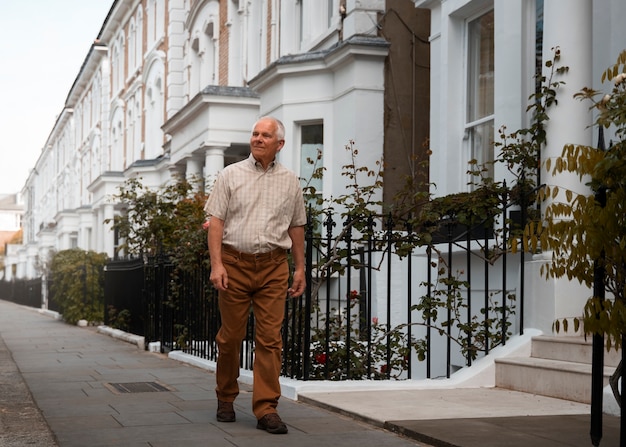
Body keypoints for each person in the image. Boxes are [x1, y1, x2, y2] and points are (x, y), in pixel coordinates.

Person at [204, 116, 306, 435]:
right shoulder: (229, 175)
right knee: (231, 337)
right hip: (234, 264)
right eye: (255, 134)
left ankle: (266, 408)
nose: (258, 139)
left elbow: (297, 226)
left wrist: (300, 267)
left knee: (270, 340)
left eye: (265, 135)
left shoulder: (290, 181)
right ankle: (225, 397)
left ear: (280, 144)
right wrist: (217, 264)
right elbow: (216, 221)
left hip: (275, 266)